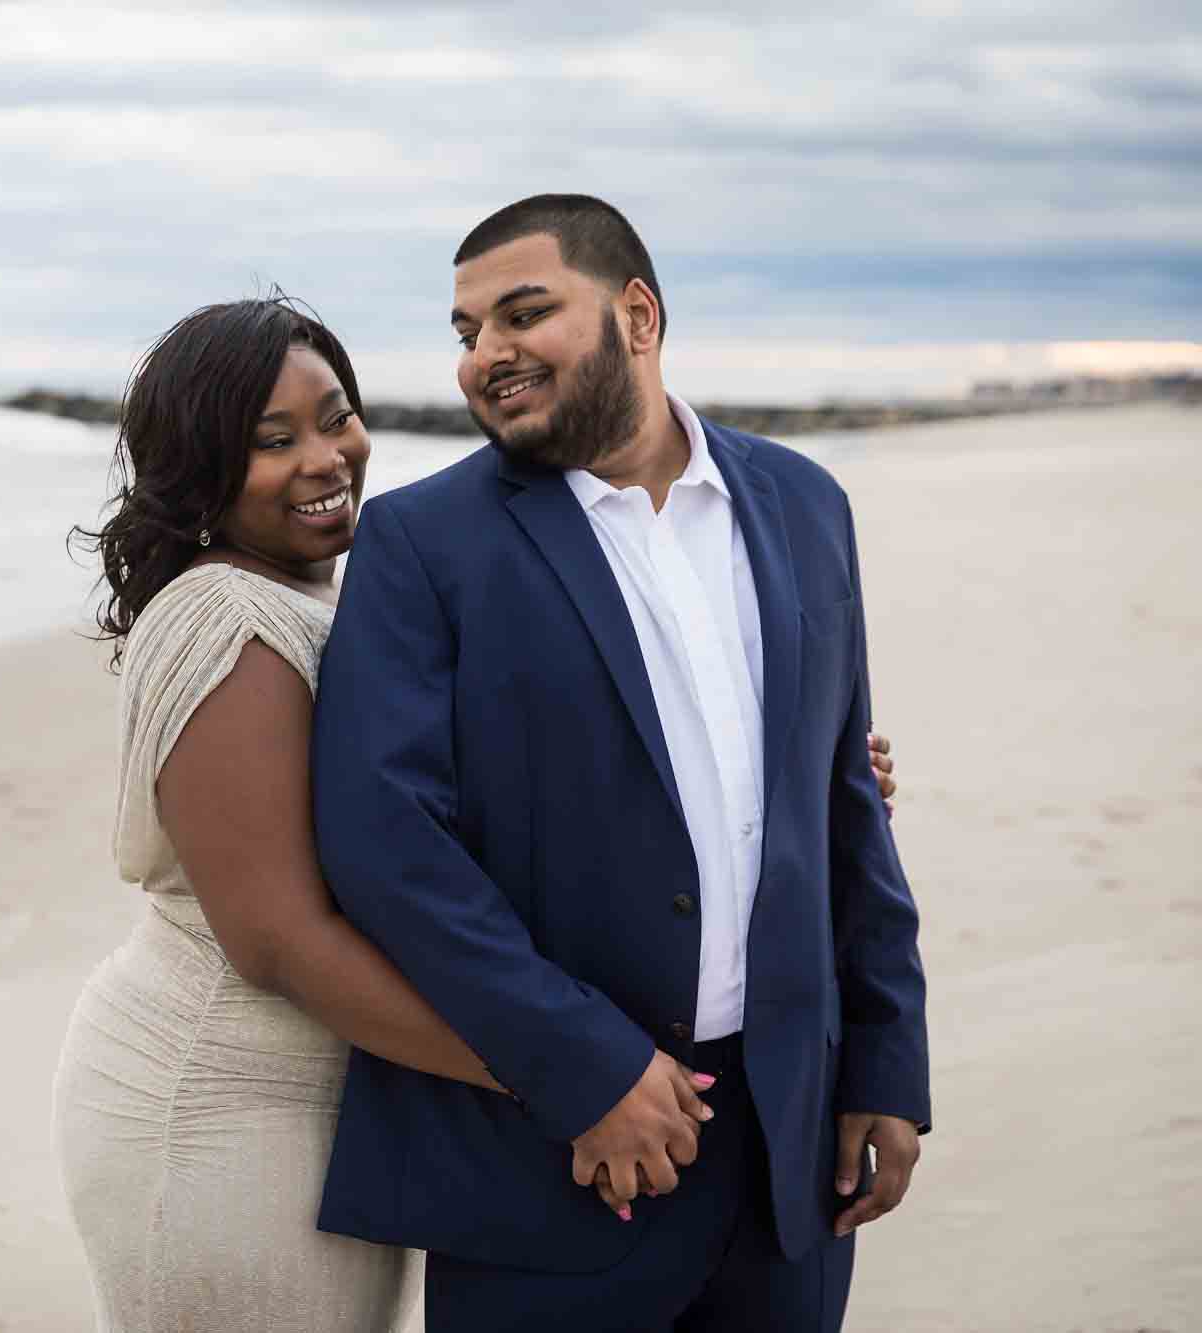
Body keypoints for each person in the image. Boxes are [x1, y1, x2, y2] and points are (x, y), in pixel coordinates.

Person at [51, 293, 903, 1332]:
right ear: (199, 470)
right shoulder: (228, 618)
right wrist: (571, 1077)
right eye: (271, 442)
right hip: (227, 1101)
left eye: (335, 416)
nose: (325, 458)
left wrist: (763, 786)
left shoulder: (329, 591)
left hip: (351, 1094)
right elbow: (277, 938)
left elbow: (508, 788)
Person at [311, 194, 929, 1331]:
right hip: (553, 1157)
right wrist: (580, 1066)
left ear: (634, 314)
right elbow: (383, 842)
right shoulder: (421, 544)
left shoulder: (802, 505)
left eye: (522, 313)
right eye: (464, 333)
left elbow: (841, 803)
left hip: (788, 1152)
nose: (483, 357)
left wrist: (884, 1061)